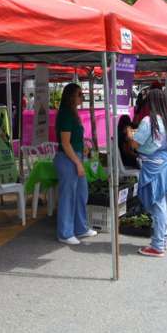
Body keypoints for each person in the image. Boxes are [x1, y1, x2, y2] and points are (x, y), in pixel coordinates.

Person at [126, 89, 167, 257]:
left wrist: (129, 134)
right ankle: (161, 240)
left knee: (157, 206)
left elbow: (135, 144)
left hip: (153, 166)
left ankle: (157, 246)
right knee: (162, 204)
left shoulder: (149, 121)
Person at [55, 83, 97, 245]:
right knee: (68, 196)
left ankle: (80, 227)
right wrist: (78, 163)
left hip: (75, 157)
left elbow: (73, 139)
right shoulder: (66, 113)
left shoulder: (73, 113)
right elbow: (65, 143)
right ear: (71, 96)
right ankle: (65, 233)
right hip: (68, 159)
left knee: (81, 194)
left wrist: (84, 148)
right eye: (80, 94)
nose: (82, 97)